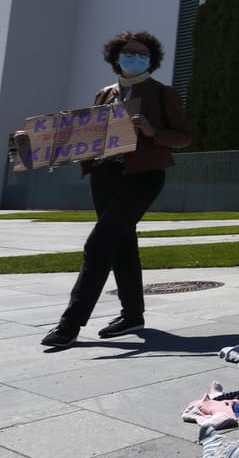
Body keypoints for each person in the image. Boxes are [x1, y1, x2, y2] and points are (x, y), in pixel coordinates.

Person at [40, 31, 192, 347]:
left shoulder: (162, 94)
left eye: (142, 53)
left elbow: (184, 137)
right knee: (122, 244)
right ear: (115, 58)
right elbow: (83, 137)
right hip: (105, 176)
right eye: (128, 52)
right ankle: (133, 315)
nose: (134, 57)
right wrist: (36, 141)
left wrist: (152, 131)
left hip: (143, 176)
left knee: (98, 245)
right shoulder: (104, 94)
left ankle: (70, 325)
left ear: (152, 60)